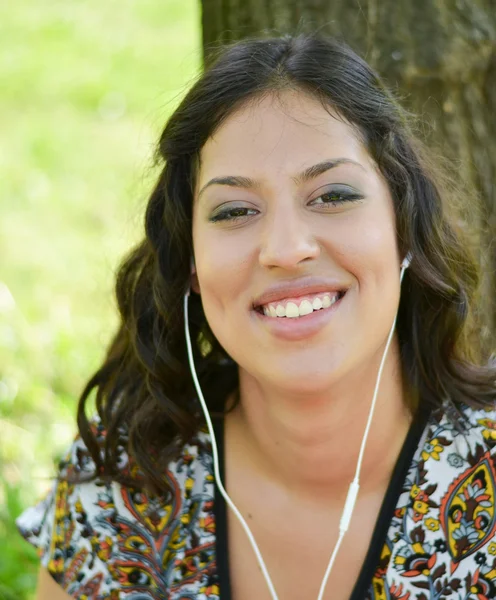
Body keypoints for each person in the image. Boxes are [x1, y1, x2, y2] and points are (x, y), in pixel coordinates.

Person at [17, 31, 496, 600]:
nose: (285, 248)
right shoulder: (126, 483)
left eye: (333, 195)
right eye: (236, 209)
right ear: (190, 261)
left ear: (404, 228)